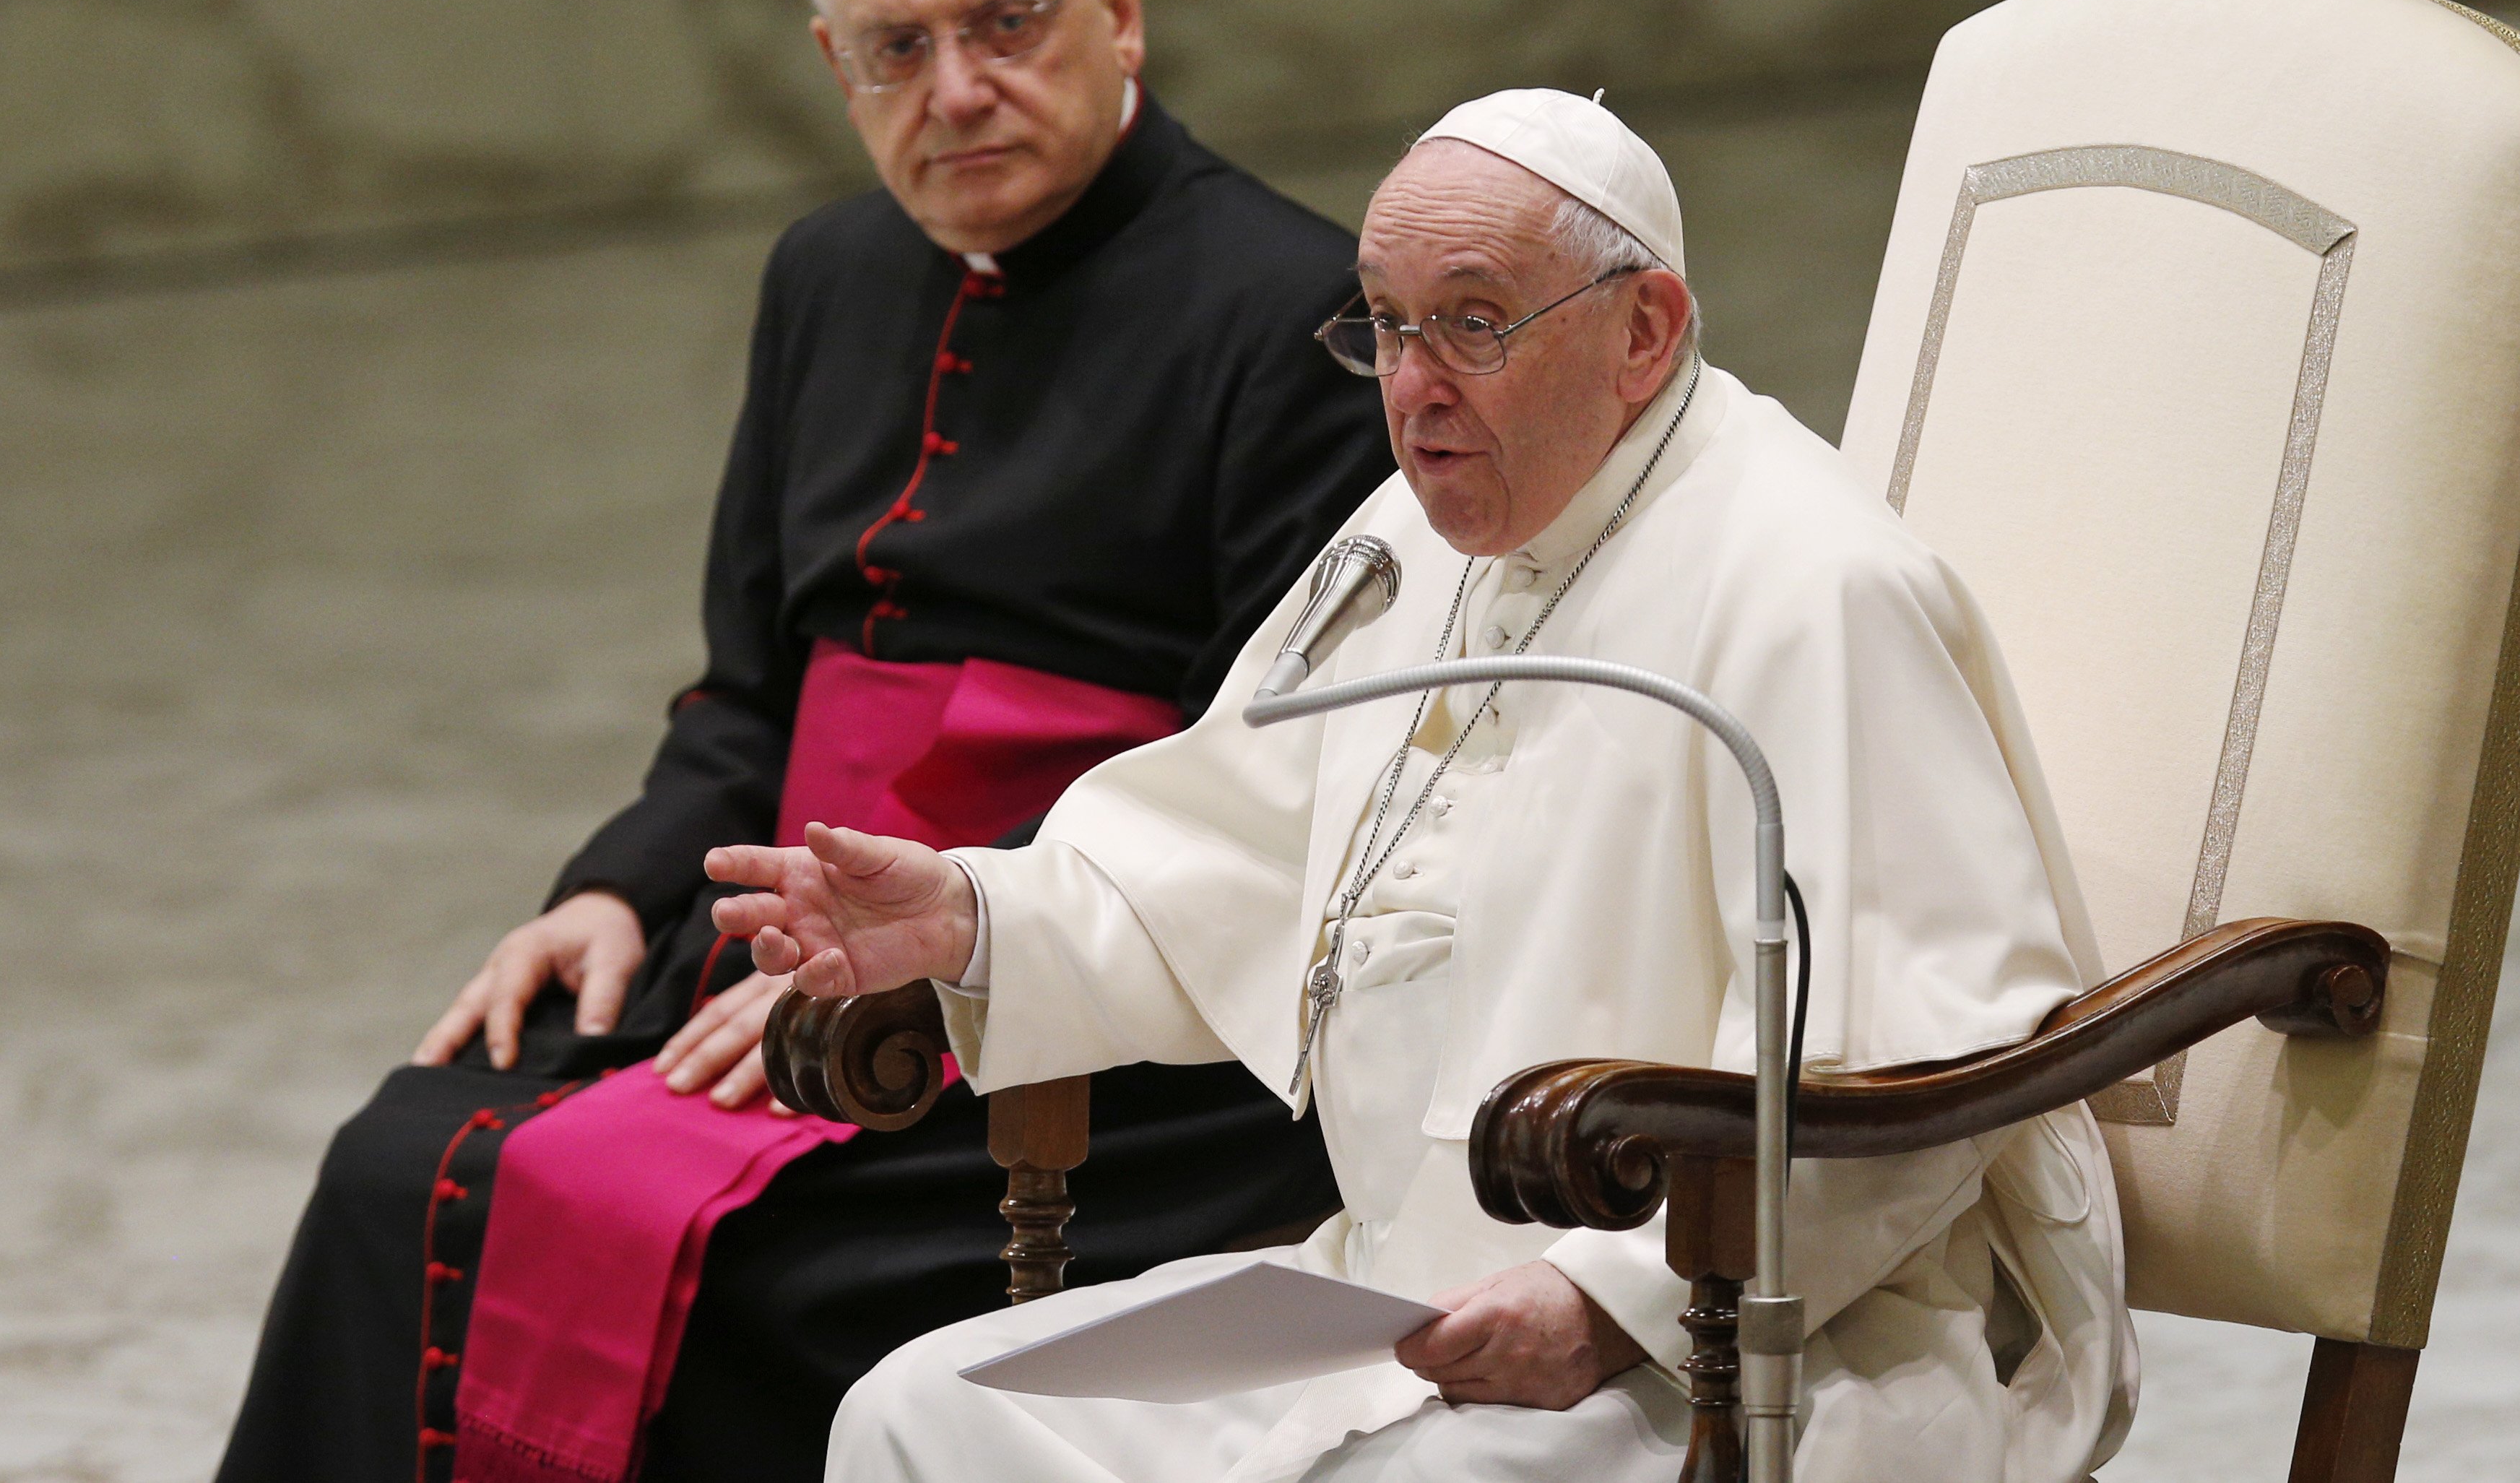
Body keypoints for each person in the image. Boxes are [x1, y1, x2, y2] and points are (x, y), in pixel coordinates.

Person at [717, 88, 2141, 1482]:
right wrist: (976, 915)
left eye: (1472, 321)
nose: (1412, 386)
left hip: (1759, 1345)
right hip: (1403, 1301)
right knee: (921, 1415)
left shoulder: (1808, 586)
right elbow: (1226, 861)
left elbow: (1911, 1057)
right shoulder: (1418, 536)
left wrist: (1607, 1300)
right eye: (1386, 324)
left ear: (1644, 330)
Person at [216, 0, 1390, 1479]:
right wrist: (616, 890)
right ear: (837, 69)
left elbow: (1261, 805)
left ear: (1117, 10)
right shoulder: (826, 275)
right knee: (394, 1160)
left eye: (1005, 23)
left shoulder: (1298, 314)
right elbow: (745, 694)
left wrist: (956, 950)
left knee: (740, 1275)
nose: (957, 90)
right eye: (896, 48)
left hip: (1076, 1031)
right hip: (764, 958)